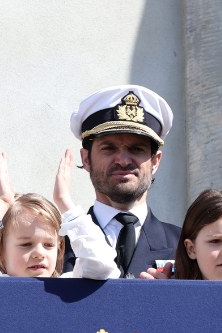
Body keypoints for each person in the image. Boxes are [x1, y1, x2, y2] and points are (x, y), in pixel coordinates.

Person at [65, 84, 181, 277]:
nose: (123, 160)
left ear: (155, 161)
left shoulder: (186, 246)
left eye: (137, 149)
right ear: (86, 159)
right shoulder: (54, 246)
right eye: (109, 148)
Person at [0, 151, 119, 279]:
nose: (39, 253)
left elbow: (102, 264)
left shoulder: (67, 285)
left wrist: (65, 203)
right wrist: (1, 203)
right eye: (26, 244)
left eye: (49, 245)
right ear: (1, 251)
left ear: (59, 249)